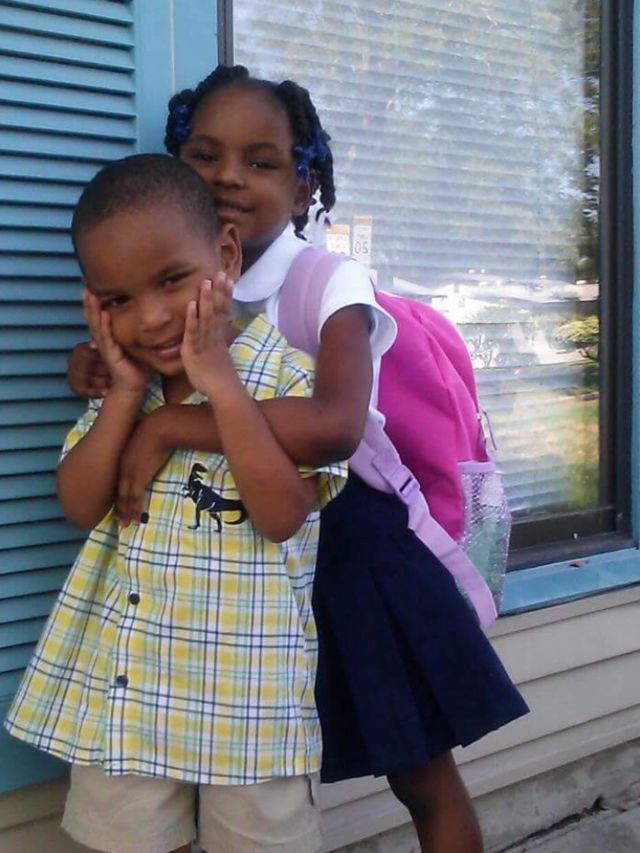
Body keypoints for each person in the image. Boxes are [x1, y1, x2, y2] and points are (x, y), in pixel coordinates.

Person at [66, 66, 529, 853]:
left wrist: (172, 425)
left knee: (419, 771)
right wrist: (95, 369)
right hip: (234, 569)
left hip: (350, 549)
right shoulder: (163, 281)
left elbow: (334, 425)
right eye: (204, 155)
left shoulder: (326, 279)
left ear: (304, 183)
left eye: (261, 161)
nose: (228, 176)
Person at [5, 153, 348, 853]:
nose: (153, 317)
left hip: (249, 705)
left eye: (171, 280)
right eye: (119, 300)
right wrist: (126, 397)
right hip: (129, 696)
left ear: (226, 255)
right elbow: (79, 503)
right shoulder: (123, 390)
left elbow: (282, 516)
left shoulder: (284, 376)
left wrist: (220, 384)